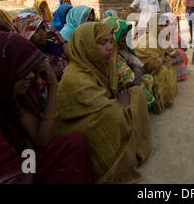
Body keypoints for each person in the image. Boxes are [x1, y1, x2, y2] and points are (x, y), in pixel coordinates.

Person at [0, 32, 93, 184]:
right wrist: (29, 158)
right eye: (22, 69)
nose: (32, 76)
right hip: (9, 174)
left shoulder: (8, 97)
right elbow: (14, 176)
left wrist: (53, 85)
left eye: (32, 69)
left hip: (23, 164)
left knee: (75, 142)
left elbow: (41, 139)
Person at [54, 22, 152, 183]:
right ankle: (112, 162)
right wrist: (121, 106)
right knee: (113, 116)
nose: (109, 47)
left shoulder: (101, 65)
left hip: (101, 109)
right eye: (102, 42)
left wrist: (121, 102)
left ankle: (135, 147)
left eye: (110, 41)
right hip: (80, 128)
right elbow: (105, 107)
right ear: (86, 46)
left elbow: (118, 88)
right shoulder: (76, 78)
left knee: (137, 92)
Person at [103, 16, 157, 111]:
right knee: (140, 87)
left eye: (127, 34)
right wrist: (136, 69)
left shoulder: (124, 51)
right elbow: (133, 81)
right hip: (116, 91)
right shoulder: (113, 56)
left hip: (125, 84)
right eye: (122, 35)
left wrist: (136, 68)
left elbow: (143, 67)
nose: (125, 38)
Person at [135, 14, 179, 113]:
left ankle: (166, 100)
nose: (163, 28)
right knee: (162, 72)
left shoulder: (162, 37)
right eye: (160, 25)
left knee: (169, 66)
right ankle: (158, 104)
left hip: (155, 64)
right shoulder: (147, 39)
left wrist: (172, 60)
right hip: (144, 69)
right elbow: (152, 64)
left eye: (165, 26)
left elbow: (177, 55)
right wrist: (162, 59)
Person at [12, 13, 69, 80]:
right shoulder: (23, 55)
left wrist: (57, 35)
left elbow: (68, 55)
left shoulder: (44, 44)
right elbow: (57, 71)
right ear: (24, 32)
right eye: (36, 30)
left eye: (43, 28)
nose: (43, 33)